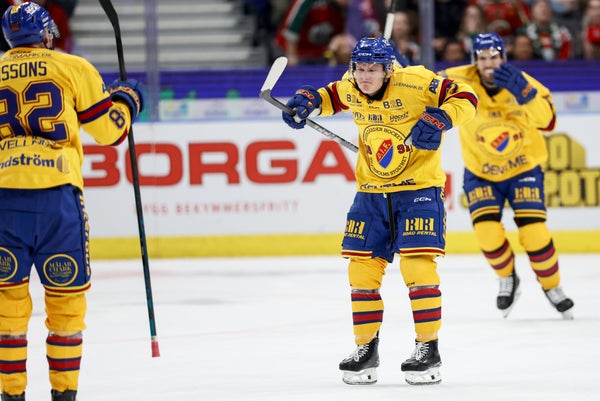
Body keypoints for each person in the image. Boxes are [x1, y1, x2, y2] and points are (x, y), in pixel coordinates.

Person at [280, 36, 478, 385]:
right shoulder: (352, 83)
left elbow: (466, 97)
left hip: (418, 190)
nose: (365, 76)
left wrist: (442, 118)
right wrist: (309, 101)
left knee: (417, 266)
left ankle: (428, 348)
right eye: (360, 68)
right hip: (371, 193)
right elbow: (332, 96)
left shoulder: (415, 81)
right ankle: (365, 350)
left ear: (388, 69)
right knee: (361, 272)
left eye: (373, 69)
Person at [0, 3, 145, 401]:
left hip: (4, 198)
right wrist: (128, 99)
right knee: (65, 302)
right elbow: (110, 132)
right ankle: (64, 395)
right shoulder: (71, 66)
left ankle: (11, 395)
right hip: (57, 198)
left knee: (7, 305)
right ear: (46, 33)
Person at [438, 32, 575, 320]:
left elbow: (548, 122)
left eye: (494, 57)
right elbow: (423, 84)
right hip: (480, 172)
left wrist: (526, 95)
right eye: (482, 58)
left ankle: (552, 286)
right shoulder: (458, 78)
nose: (489, 63)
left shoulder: (524, 82)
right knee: (487, 234)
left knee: (535, 234)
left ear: (504, 57)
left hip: (523, 169)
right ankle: (508, 278)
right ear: (475, 60)